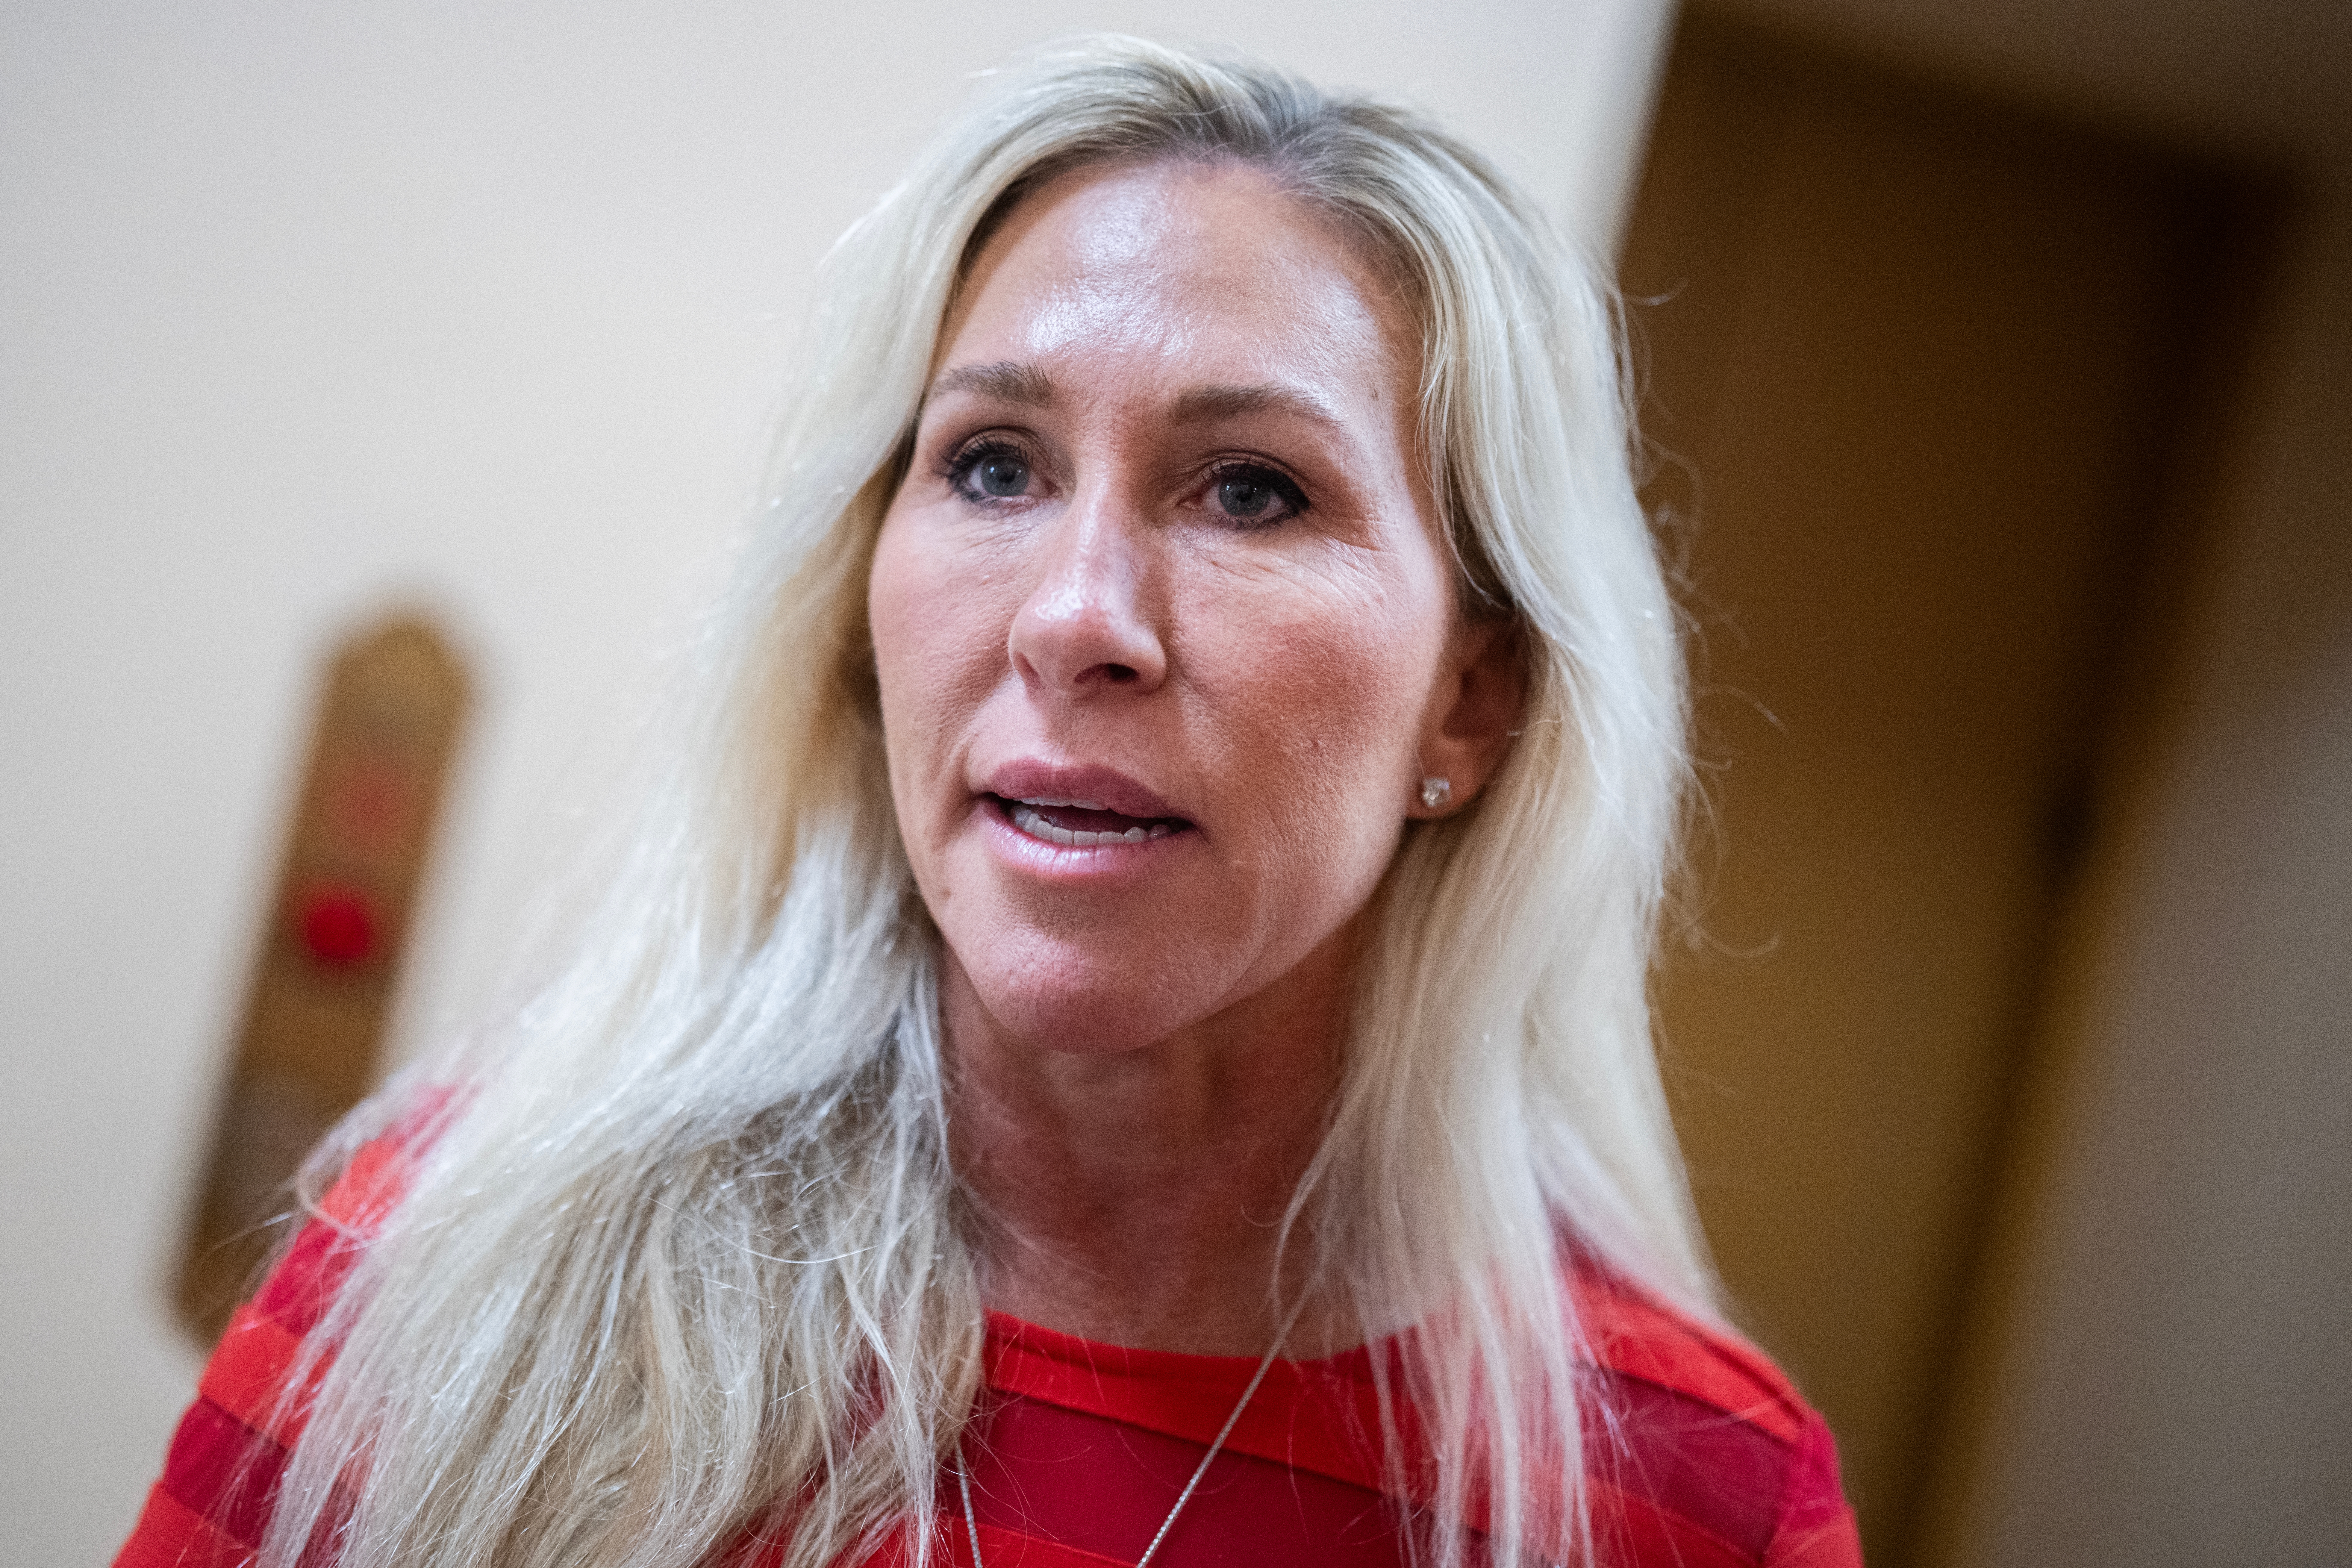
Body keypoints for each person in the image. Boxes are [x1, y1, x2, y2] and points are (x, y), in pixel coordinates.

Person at [118, 36, 1861, 1568]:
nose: (1075, 614)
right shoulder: (441, 1269)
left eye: (1251, 490)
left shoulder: (1699, 1501)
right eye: (993, 465)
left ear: (1474, 694)